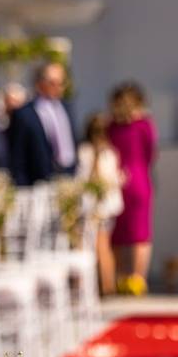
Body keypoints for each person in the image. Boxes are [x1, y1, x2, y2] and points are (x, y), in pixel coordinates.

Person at [108, 82, 157, 296]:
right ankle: (137, 279)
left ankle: (121, 277)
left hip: (116, 181)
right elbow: (150, 154)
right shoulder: (144, 125)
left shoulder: (111, 126)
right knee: (140, 233)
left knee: (118, 232)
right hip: (139, 180)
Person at [76, 113, 125, 295]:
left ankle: (86, 287)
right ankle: (107, 284)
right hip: (106, 207)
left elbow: (80, 180)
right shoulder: (110, 153)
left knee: (86, 246)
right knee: (104, 246)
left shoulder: (84, 151)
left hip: (91, 206)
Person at [8, 61, 76, 186]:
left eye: (61, 83)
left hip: (67, 178)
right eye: (53, 83)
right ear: (40, 83)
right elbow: (17, 155)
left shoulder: (66, 107)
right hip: (38, 181)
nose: (58, 87)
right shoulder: (24, 114)